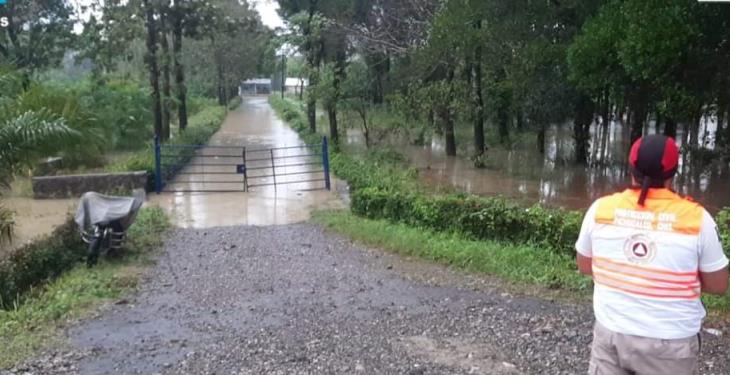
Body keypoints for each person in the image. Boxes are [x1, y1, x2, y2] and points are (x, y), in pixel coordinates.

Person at [575, 134, 728, 374]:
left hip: (612, 334)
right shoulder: (698, 220)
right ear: (674, 172)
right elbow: (718, 285)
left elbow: (585, 265)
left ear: (631, 168)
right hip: (671, 344)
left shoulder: (600, 209)